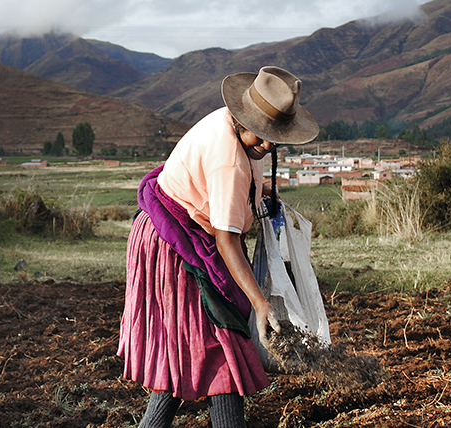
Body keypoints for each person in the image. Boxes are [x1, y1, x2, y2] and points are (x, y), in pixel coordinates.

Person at [117, 66, 319, 428]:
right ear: (244, 120)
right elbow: (226, 238)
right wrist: (260, 303)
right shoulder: (229, 161)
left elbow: (235, 190)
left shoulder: (240, 135)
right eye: (262, 135)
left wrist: (261, 195)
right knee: (220, 347)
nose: (269, 145)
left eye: (275, 136)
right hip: (175, 247)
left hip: (189, 234)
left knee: (189, 347)